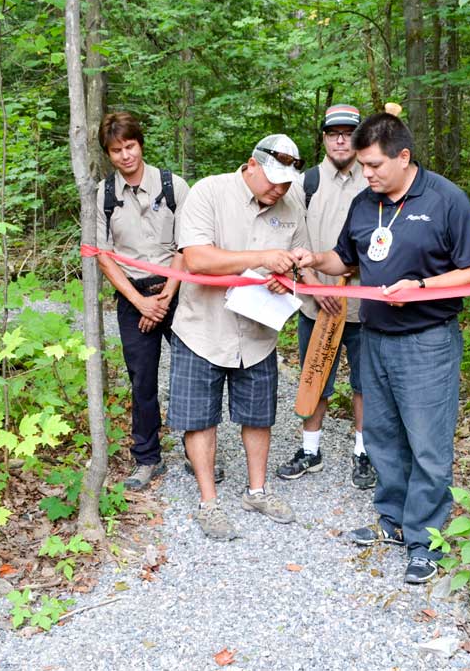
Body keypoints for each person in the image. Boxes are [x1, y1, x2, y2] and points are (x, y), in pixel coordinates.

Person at [294, 113, 470, 584]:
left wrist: (422, 284)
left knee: (427, 444)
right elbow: (346, 259)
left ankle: (425, 540)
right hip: (375, 337)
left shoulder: (445, 199)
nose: (367, 174)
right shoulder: (366, 203)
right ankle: (393, 521)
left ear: (404, 158)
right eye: (363, 166)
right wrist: (314, 259)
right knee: (382, 437)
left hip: (427, 342)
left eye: (375, 165)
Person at [168, 134, 310, 541]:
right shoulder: (209, 192)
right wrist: (261, 259)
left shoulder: (291, 204)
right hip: (203, 329)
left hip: (258, 333)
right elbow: (196, 258)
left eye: (286, 183)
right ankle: (208, 502)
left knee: (258, 414)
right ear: (251, 164)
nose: (279, 190)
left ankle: (257, 491)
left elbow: (300, 264)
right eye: (273, 181)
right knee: (199, 418)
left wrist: (289, 279)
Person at [276, 104, 374, 490]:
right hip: (317, 304)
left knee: (366, 385)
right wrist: (316, 283)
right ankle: (310, 450)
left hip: (365, 305)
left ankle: (364, 453)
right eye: (332, 132)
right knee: (315, 377)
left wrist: (350, 277)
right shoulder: (307, 183)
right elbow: (292, 238)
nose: (339, 139)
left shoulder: (373, 179)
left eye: (348, 132)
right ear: (323, 138)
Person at [95, 112, 190, 492]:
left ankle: (195, 451)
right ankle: (147, 458)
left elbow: (188, 245)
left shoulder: (174, 185)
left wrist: (165, 297)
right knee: (142, 380)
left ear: (141, 144)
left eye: (130, 146)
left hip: (177, 292)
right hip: (132, 295)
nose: (125, 155)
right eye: (116, 150)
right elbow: (104, 255)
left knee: (190, 374)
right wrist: (140, 302)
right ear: (108, 153)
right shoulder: (102, 195)